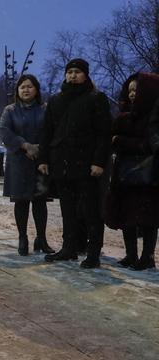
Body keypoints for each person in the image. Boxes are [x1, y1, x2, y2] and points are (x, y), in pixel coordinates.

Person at [37, 58, 111, 269]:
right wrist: (43, 158)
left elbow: (103, 134)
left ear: (86, 74)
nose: (72, 75)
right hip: (62, 162)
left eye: (77, 71)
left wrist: (99, 162)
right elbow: (47, 132)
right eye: (69, 71)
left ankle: (93, 252)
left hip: (86, 164)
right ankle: (69, 248)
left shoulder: (96, 98)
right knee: (67, 209)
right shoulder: (56, 100)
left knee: (91, 211)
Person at [105, 72, 159, 270]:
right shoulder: (124, 116)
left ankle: (147, 256)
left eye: (137, 90)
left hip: (147, 175)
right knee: (127, 215)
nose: (132, 94)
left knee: (147, 218)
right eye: (130, 91)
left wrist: (121, 141)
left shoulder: (153, 118)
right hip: (125, 174)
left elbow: (148, 145)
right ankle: (131, 254)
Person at [0, 74, 54, 256]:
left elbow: (51, 131)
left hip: (40, 161)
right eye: (22, 87)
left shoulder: (45, 109)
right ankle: (22, 238)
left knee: (40, 202)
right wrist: (24, 145)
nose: (26, 90)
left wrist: (40, 149)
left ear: (36, 89)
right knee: (21, 201)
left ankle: (41, 239)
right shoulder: (10, 110)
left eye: (29, 86)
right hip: (19, 162)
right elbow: (5, 132)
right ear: (17, 91)